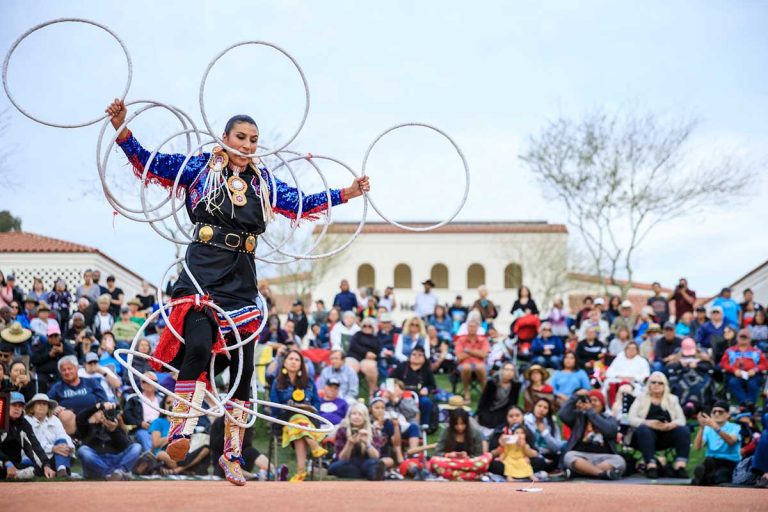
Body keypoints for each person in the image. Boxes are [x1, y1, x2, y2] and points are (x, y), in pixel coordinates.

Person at [106, 99, 368, 485]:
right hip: (202, 273)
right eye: (241, 137)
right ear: (224, 138)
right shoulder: (199, 168)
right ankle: (181, 429)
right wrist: (122, 130)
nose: (247, 145)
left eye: (253, 140)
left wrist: (346, 193)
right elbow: (150, 163)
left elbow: (298, 203)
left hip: (242, 279)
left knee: (244, 371)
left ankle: (232, 454)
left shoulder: (262, 182)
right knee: (197, 345)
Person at [269, 349, 327, 482]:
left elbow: (317, 403)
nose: (294, 362)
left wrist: (310, 410)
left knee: (298, 425)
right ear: (284, 362)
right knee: (295, 419)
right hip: (284, 421)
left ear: (301, 364)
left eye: (297, 360)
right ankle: (314, 446)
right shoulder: (277, 382)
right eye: (291, 359)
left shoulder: (309, 382)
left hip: (308, 420)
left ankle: (301, 472)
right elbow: (275, 407)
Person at [627, 371, 690, 478]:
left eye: (660, 383)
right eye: (653, 382)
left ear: (665, 385)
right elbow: (630, 419)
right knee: (644, 429)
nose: (656, 385)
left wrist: (670, 425)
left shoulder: (672, 399)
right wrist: (648, 423)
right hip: (644, 437)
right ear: (649, 384)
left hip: (666, 434)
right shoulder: (640, 398)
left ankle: (680, 466)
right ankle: (651, 466)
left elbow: (681, 420)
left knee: (683, 430)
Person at [559, 390, 625, 480]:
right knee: (568, 456)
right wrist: (576, 396)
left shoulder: (609, 419)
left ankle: (582, 472)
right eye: (590, 400)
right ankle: (601, 474)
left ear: (602, 404)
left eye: (596, 400)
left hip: (604, 457)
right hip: (581, 456)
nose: (592, 403)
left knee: (619, 461)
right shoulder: (579, 417)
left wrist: (590, 411)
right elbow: (562, 414)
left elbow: (610, 432)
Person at [76, 400, 142, 480]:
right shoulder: (87, 426)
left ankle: (118, 471)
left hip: (115, 459)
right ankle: (111, 473)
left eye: (106, 413)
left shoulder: (116, 426)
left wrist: (113, 431)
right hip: (97, 460)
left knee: (136, 447)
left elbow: (124, 446)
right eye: (101, 412)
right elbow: (79, 418)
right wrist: (96, 407)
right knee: (83, 450)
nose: (104, 415)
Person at [0, 392, 56, 480]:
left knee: (40, 470)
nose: (17, 409)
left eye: (20, 406)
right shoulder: (1, 420)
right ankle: (14, 474)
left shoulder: (24, 423)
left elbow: (34, 445)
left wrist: (46, 465)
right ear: (6, 405)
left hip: (15, 464)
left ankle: (15, 474)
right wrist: (7, 463)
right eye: (14, 405)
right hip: (3, 461)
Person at [47, 355, 109, 435]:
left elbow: (104, 401)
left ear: (77, 368)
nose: (67, 372)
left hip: (93, 416)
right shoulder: (57, 387)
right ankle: (74, 442)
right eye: (63, 370)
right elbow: (48, 405)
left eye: (70, 368)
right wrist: (55, 408)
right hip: (71, 421)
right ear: (60, 373)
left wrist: (99, 411)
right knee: (65, 415)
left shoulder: (91, 382)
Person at [328, 402, 386, 480]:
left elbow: (376, 456)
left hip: (366, 461)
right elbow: (342, 458)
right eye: (354, 414)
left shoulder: (372, 430)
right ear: (349, 416)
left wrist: (367, 443)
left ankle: (370, 473)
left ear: (365, 417)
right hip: (349, 462)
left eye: (360, 414)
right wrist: (350, 444)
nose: (357, 417)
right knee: (336, 467)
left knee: (374, 463)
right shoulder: (342, 430)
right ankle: (368, 474)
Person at [430, 408, 491, 481]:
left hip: (468, 462)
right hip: (450, 462)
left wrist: (467, 457)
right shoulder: (446, 432)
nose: (460, 427)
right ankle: (471, 476)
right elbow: (437, 453)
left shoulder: (475, 433)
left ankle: (453, 475)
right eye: (456, 424)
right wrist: (449, 455)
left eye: (462, 424)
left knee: (486, 459)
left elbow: (478, 455)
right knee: (434, 461)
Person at [24, 393, 75, 477]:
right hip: (35, 458)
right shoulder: (26, 421)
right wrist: (52, 448)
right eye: (38, 403)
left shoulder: (55, 420)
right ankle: (60, 469)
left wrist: (67, 447)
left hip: (56, 457)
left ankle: (61, 470)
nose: (42, 406)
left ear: (48, 408)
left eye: (44, 404)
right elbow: (31, 444)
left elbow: (63, 435)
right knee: (27, 463)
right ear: (32, 407)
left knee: (62, 441)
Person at [692, 400, 741, 486]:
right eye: (714, 411)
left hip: (728, 462)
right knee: (708, 465)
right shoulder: (707, 429)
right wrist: (702, 428)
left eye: (720, 411)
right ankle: (705, 477)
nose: (717, 414)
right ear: (711, 414)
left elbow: (731, 441)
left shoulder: (735, 427)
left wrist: (715, 427)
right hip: (711, 461)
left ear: (728, 414)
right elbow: (697, 447)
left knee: (721, 478)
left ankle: (705, 478)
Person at [393, 346, 436, 428]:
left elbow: (433, 386)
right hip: (402, 396)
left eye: (420, 355)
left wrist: (427, 389)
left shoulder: (426, 370)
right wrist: (396, 388)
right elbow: (390, 379)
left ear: (424, 358)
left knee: (426, 402)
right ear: (409, 356)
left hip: (419, 396)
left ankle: (424, 425)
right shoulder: (402, 367)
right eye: (414, 354)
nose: (416, 357)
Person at [720, 328, 767, 404]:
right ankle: (745, 403)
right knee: (733, 382)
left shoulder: (757, 351)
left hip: (752, 375)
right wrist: (734, 370)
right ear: (737, 338)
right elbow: (723, 363)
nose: (743, 339)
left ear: (749, 339)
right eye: (741, 337)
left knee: (752, 384)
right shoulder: (730, 350)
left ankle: (750, 404)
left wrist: (755, 370)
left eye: (745, 337)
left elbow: (764, 364)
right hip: (735, 375)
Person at [123, 371, 163, 453]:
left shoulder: (163, 398)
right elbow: (126, 417)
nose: (149, 383)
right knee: (143, 435)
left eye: (153, 381)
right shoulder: (133, 399)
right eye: (146, 381)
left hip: (162, 428)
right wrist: (140, 423)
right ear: (141, 384)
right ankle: (154, 459)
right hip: (143, 429)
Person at [476, 362, 521, 429]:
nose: (509, 372)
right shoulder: (492, 383)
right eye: (507, 370)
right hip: (490, 408)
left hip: (504, 410)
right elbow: (483, 400)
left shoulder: (516, 385)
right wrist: (479, 413)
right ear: (502, 371)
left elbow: (514, 402)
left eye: (512, 370)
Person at [30, 323, 75, 390]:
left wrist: (62, 353)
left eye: (56, 335)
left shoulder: (65, 345)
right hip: (44, 375)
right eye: (51, 336)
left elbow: (74, 358)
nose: (54, 338)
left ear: (59, 336)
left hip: (62, 374)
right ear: (47, 337)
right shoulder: (42, 346)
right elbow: (33, 359)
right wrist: (48, 355)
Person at [454, 319, 490, 403]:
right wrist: (476, 353)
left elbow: (484, 354)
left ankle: (485, 393)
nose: (472, 328)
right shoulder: (461, 340)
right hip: (465, 364)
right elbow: (459, 357)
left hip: (479, 364)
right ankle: (467, 392)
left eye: (474, 327)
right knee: (466, 367)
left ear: (477, 328)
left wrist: (468, 351)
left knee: (480, 367)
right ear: (467, 328)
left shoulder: (483, 340)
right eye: (470, 326)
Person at [345, 317, 381, 398]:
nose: (367, 328)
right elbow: (353, 346)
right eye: (365, 326)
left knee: (370, 367)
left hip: (368, 359)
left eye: (369, 326)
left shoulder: (376, 338)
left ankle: (372, 392)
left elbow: (379, 350)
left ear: (373, 327)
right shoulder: (357, 335)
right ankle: (349, 391)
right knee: (350, 367)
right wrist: (366, 352)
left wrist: (374, 355)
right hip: (354, 356)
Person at [523, 397, 562, 472]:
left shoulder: (552, 425)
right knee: (538, 462)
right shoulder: (525, 421)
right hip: (532, 454)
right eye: (539, 406)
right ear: (534, 407)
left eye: (545, 408)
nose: (541, 409)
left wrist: (545, 433)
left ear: (548, 411)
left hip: (548, 454)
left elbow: (557, 447)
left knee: (562, 455)